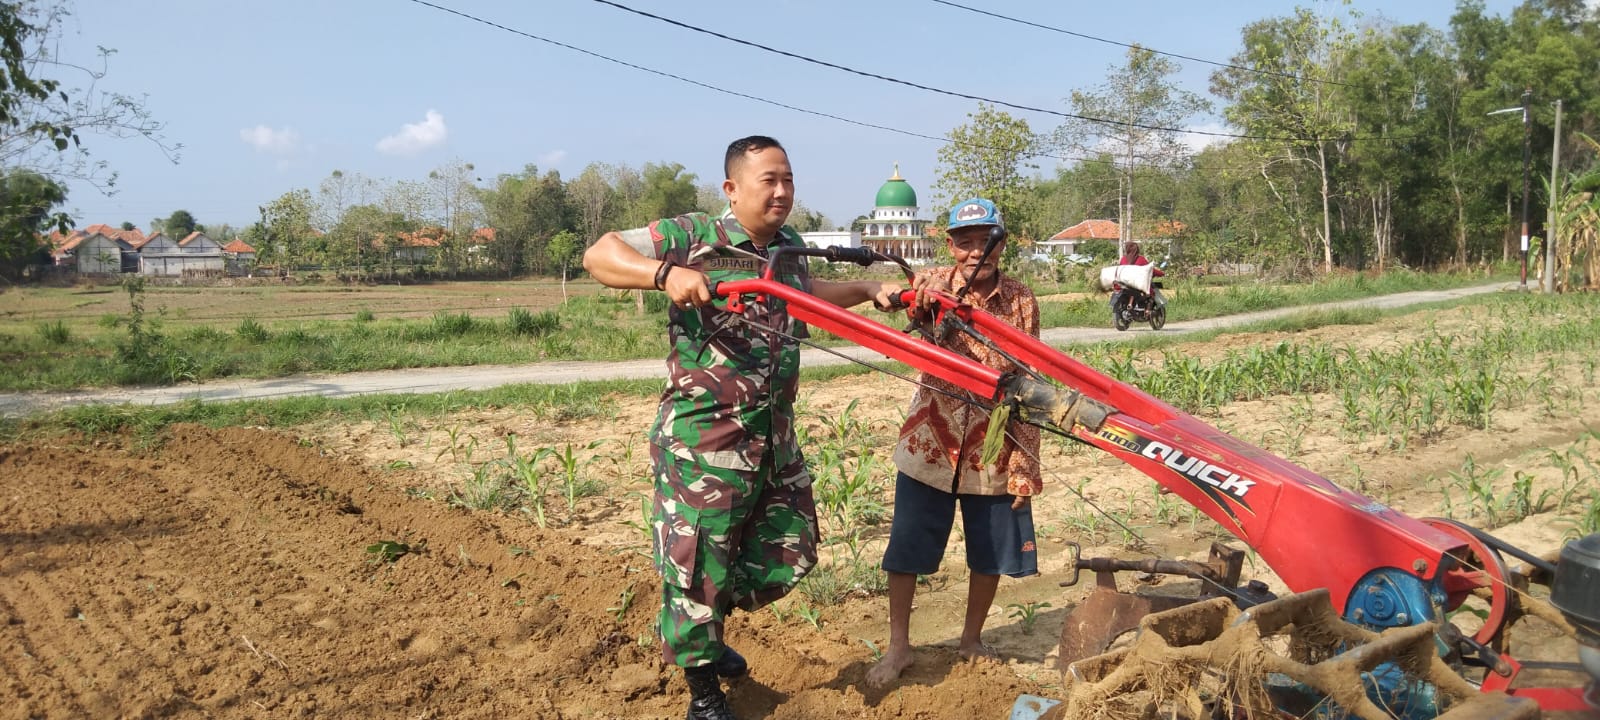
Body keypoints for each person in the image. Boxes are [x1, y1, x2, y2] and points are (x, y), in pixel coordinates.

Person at [581, 135, 903, 720]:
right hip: (705, 442)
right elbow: (598, 255)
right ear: (732, 188)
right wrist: (662, 275)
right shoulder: (691, 236)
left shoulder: (790, 246)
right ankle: (703, 690)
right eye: (768, 181)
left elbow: (802, 296)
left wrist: (866, 287)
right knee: (698, 560)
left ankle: (706, 620)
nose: (781, 191)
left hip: (773, 438)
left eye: (788, 179)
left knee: (789, 546)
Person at [864, 198, 1042, 689]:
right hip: (932, 440)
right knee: (907, 546)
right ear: (951, 245)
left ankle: (971, 639)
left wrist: (1026, 460)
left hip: (993, 441)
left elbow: (1028, 379)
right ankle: (899, 646)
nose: (973, 252)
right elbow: (913, 314)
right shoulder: (933, 284)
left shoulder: (1022, 300)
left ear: (999, 244)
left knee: (989, 549)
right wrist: (917, 306)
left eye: (983, 241)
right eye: (963, 242)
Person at [1111, 240, 1165, 317]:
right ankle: (1148, 311)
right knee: (1151, 293)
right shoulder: (1141, 259)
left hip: (1124, 284)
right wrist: (1161, 273)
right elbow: (1150, 270)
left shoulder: (1123, 259)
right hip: (1137, 285)